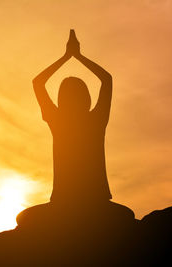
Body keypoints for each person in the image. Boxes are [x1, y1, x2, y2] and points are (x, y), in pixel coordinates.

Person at [17, 30, 117, 226]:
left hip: (77, 203)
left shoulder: (60, 121)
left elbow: (38, 83)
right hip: (87, 202)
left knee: (24, 219)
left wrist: (67, 57)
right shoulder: (95, 119)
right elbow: (106, 79)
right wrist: (77, 56)